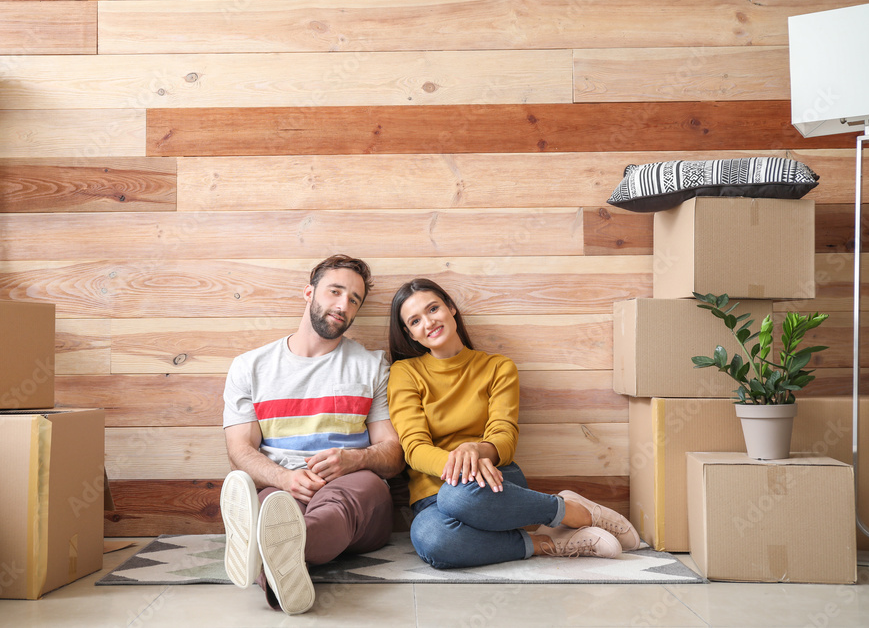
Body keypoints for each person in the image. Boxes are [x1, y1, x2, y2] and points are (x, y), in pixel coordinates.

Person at [386, 278, 640, 569]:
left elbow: (504, 436)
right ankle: (549, 542)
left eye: (433, 309)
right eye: (415, 320)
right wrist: (463, 463)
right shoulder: (405, 372)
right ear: (410, 334)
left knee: (460, 497)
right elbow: (415, 448)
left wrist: (477, 450)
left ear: (451, 308)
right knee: (432, 539)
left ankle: (575, 512)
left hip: (494, 484)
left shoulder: (497, 367)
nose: (428, 322)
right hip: (432, 498)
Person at [220, 255, 405, 615]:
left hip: (354, 489)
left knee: (349, 497)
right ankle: (279, 564)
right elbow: (239, 451)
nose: (343, 305)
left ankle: (262, 547)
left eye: (354, 300)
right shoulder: (250, 367)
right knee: (268, 503)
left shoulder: (372, 367)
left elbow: (394, 454)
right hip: (282, 484)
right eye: (335, 291)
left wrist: (357, 458)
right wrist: (285, 478)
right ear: (309, 293)